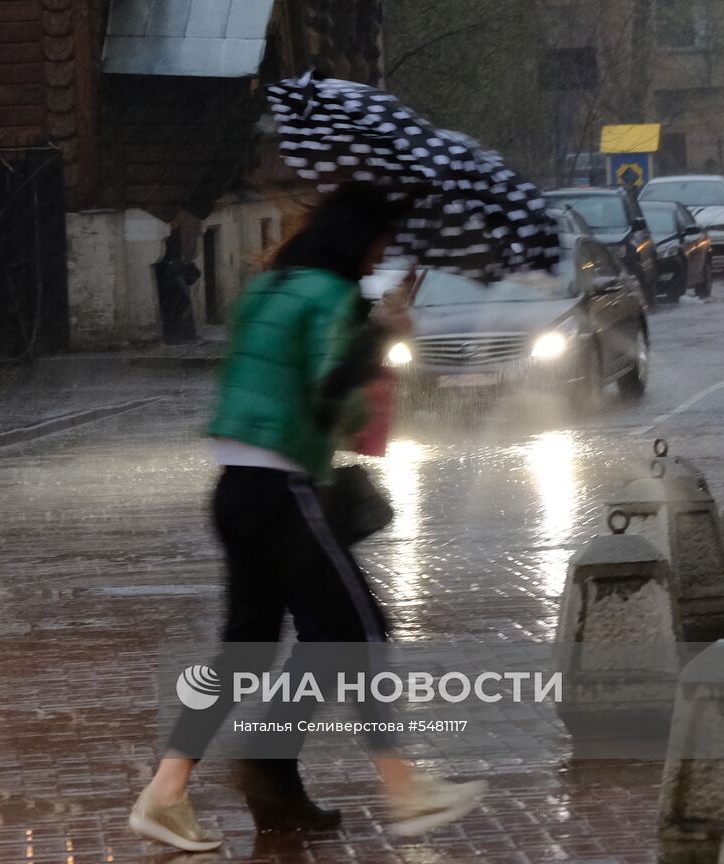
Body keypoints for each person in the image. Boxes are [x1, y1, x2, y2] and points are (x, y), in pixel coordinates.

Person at [128, 183, 487, 852]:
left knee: (248, 651)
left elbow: (283, 389)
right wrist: (382, 336)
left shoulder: (268, 289)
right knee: (359, 627)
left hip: (235, 487)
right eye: (381, 242)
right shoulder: (331, 298)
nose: (383, 254)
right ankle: (405, 788)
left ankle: (169, 792)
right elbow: (330, 396)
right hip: (281, 487)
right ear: (359, 240)